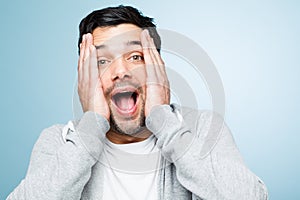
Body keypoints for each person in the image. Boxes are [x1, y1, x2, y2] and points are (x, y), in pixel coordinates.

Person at [7, 5, 268, 200]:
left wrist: (163, 119)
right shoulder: (59, 142)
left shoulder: (202, 129)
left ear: (158, 67)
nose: (120, 71)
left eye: (134, 56)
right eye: (102, 60)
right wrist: (90, 127)